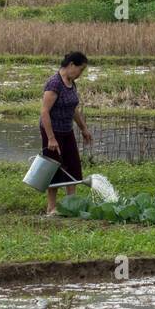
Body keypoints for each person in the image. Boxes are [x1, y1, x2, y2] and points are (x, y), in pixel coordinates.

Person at [39, 51, 94, 215]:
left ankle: (71, 205)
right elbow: (44, 112)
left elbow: (73, 108)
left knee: (73, 166)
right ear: (71, 65)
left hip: (67, 130)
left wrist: (83, 128)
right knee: (53, 168)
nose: (80, 74)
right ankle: (51, 208)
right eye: (80, 70)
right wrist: (51, 138)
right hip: (52, 131)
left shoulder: (71, 82)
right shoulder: (54, 84)